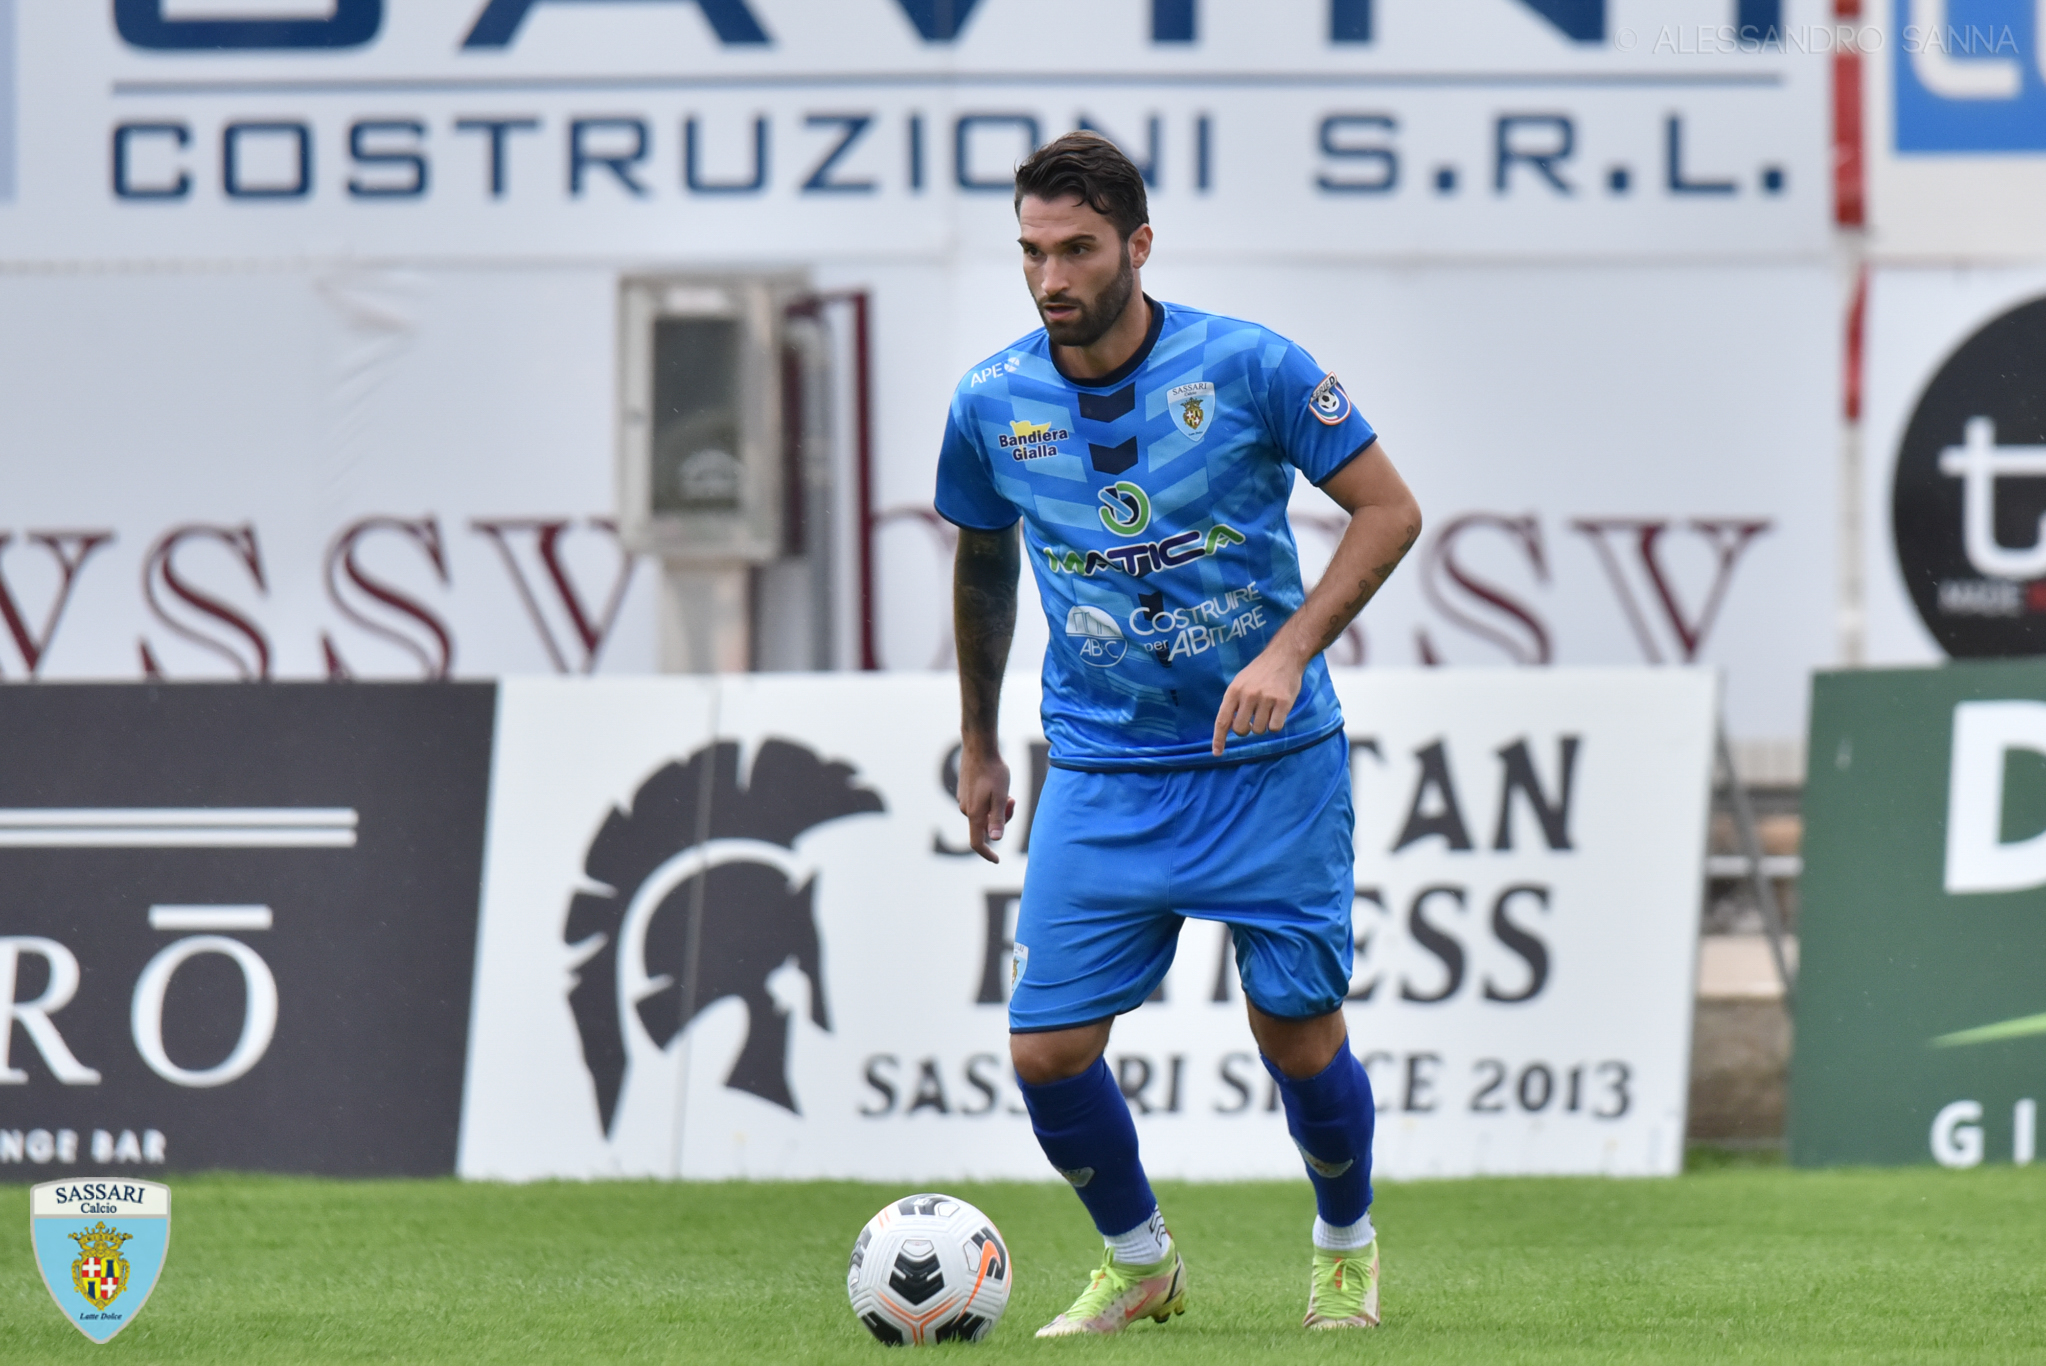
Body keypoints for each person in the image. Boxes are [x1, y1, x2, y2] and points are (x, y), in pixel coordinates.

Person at [935, 130, 1422, 1336]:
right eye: (1032, 251)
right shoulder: (992, 401)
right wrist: (980, 740)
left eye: (1077, 249)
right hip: (1104, 764)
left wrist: (1288, 650)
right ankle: (1139, 1258)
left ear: (1138, 245)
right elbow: (984, 565)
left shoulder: (1248, 366)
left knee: (1297, 1038)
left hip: (1267, 764)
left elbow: (1388, 510)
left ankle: (1345, 1244)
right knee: (1046, 1051)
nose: (1051, 277)